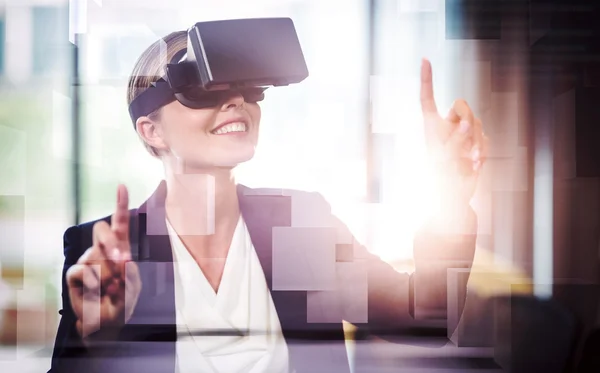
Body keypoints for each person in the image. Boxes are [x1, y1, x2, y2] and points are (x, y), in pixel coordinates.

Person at [49, 29, 488, 373]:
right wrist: (95, 343)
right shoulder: (103, 252)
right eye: (203, 86)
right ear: (152, 131)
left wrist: (449, 201)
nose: (236, 99)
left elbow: (425, 319)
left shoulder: (302, 227)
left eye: (246, 85)